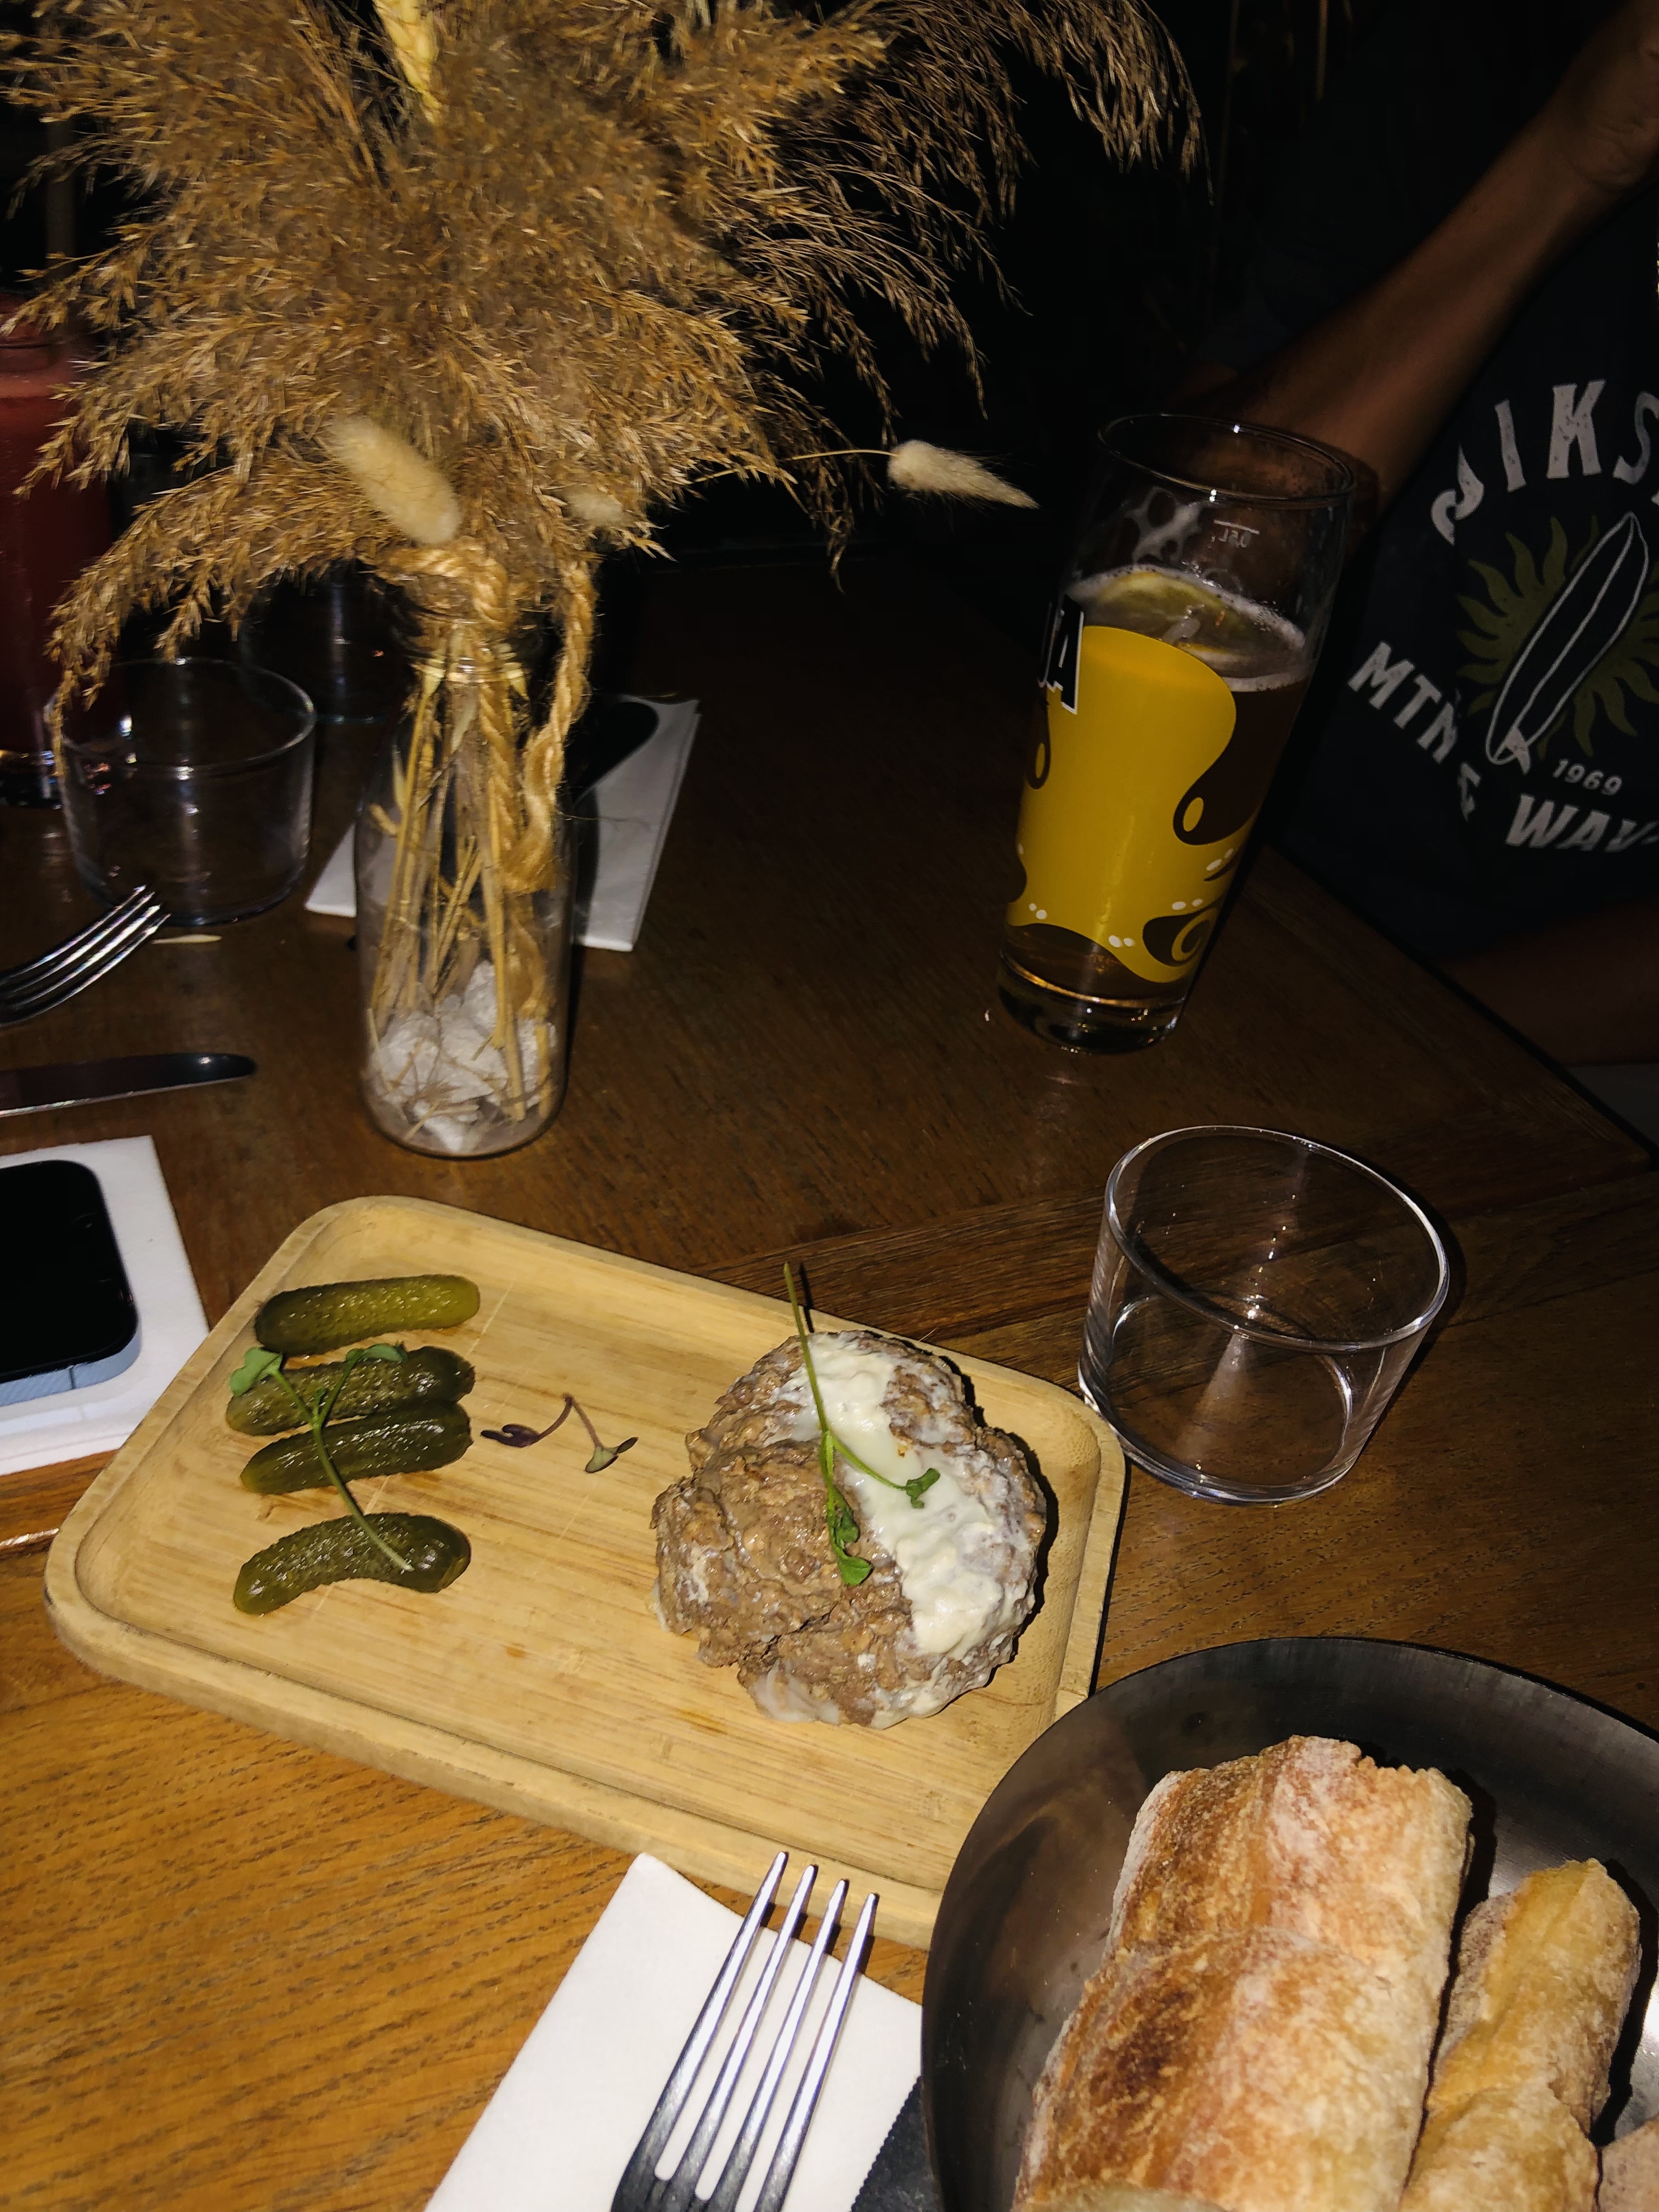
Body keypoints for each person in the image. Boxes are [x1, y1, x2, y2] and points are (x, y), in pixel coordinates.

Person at [1178, 0, 1659, 1123]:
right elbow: (1192, 568)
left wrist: (1402, 1042)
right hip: (1241, 924)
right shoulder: (1477, 63)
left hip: (1579, 1048)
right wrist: (1570, 164)